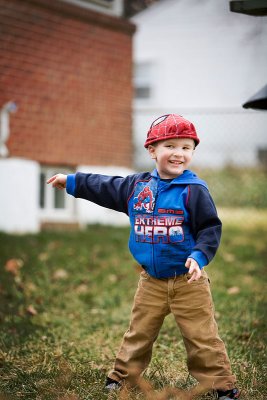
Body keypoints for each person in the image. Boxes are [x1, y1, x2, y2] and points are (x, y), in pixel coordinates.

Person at [47, 114, 240, 399]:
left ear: (193, 152)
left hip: (189, 282)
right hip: (150, 281)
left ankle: (221, 386)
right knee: (138, 333)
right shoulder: (137, 187)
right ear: (152, 150)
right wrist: (72, 181)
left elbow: (210, 228)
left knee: (202, 338)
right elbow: (105, 186)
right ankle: (122, 377)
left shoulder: (194, 190)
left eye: (186, 147)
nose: (178, 153)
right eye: (170, 146)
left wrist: (199, 256)